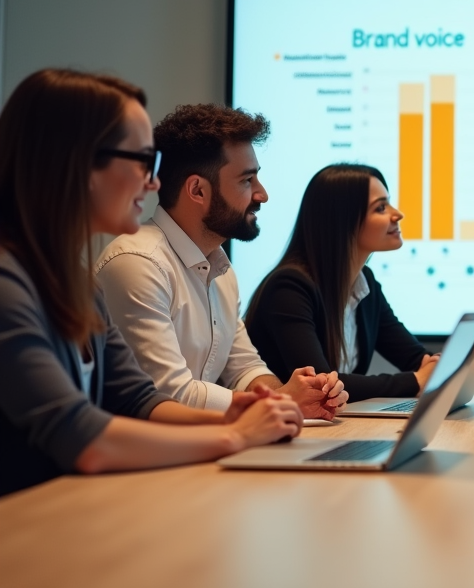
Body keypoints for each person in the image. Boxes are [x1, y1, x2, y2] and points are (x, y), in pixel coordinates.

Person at [0, 69, 304, 496]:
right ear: (80, 163)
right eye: (143, 161)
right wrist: (236, 435)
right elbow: (84, 438)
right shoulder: (8, 282)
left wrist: (241, 416)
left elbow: (141, 401)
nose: (155, 181)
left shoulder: (74, 282)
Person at [94, 104, 345, 419]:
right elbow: (169, 394)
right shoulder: (137, 263)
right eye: (247, 181)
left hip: (201, 448)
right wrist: (278, 402)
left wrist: (300, 394)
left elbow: (246, 369)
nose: (262, 194)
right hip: (144, 460)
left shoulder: (220, 268)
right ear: (197, 190)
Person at [245, 164, 438, 402]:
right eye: (380, 207)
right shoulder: (288, 288)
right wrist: (414, 381)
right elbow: (322, 384)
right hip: (288, 429)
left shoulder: (364, 283)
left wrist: (437, 368)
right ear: (343, 221)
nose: (397, 214)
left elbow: (414, 357)